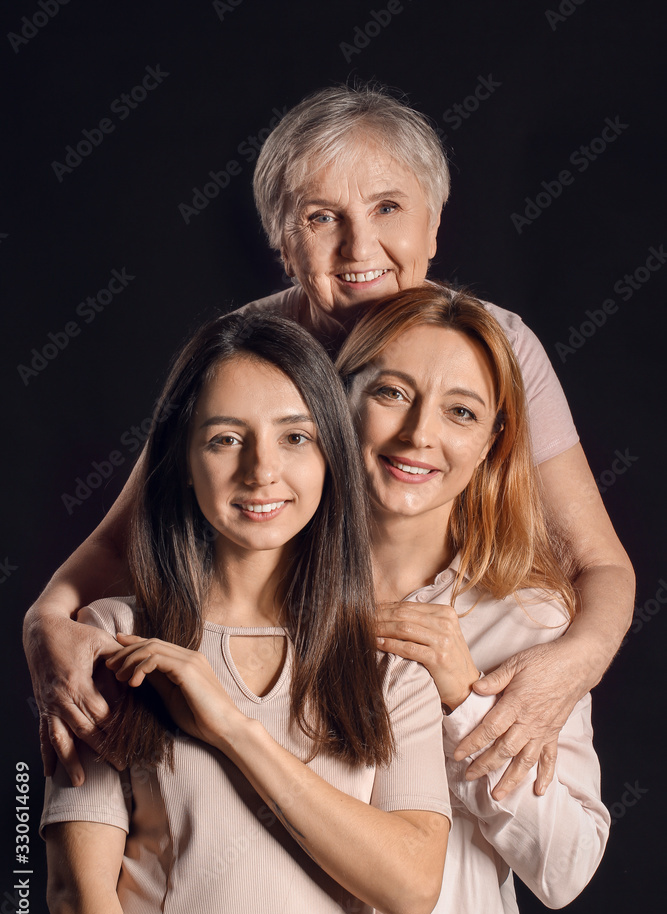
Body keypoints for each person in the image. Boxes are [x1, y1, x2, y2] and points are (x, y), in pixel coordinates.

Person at [24, 83, 634, 800]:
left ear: (433, 226)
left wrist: (570, 666)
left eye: (387, 208)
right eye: (321, 217)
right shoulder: (243, 350)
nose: (358, 246)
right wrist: (43, 627)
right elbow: (118, 542)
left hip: (420, 666)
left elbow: (598, 562)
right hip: (271, 666)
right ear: (282, 241)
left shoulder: (495, 346)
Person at [40, 312, 450, 914]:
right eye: (227, 439)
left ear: (330, 459)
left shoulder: (387, 661)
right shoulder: (108, 641)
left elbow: (410, 889)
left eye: (296, 437)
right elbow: (77, 896)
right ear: (182, 459)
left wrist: (232, 730)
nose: (262, 470)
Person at [336, 283, 611, 914]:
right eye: (391, 393)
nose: (420, 435)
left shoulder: (528, 622)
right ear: (339, 397)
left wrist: (462, 700)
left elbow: (565, 869)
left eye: (460, 412)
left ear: (492, 440)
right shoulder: (258, 595)